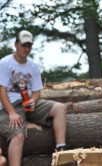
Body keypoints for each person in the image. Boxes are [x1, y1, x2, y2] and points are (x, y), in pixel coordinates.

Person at [0, 30, 67, 166]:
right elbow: (1, 90)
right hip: (9, 106)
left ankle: (61, 150)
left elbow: (37, 91)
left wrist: (33, 101)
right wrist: (12, 113)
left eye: (29, 46)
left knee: (60, 108)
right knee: (18, 135)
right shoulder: (4, 63)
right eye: (23, 45)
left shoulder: (33, 66)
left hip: (27, 103)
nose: (26, 49)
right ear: (16, 44)